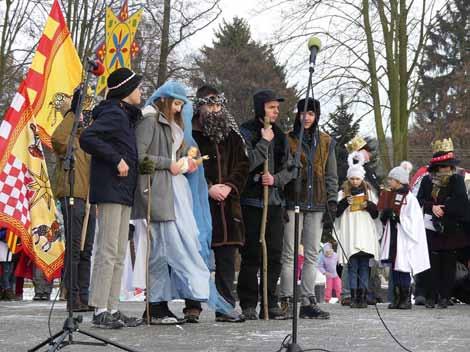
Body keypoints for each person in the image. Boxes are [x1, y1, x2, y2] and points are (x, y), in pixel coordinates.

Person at [134, 81, 233, 324]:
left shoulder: (172, 124)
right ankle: (156, 305)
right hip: (158, 192)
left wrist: (187, 161)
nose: (179, 109)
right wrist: (169, 164)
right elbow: (139, 159)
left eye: (181, 105)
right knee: (162, 249)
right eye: (176, 103)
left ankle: (163, 302)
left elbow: (176, 154)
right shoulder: (149, 120)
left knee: (176, 246)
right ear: (165, 100)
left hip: (175, 191)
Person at [79, 67, 142, 329]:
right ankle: (100, 309)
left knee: (117, 252)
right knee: (107, 251)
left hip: (123, 191)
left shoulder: (124, 117)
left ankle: (113, 308)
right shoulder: (114, 113)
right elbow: (87, 137)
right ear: (126, 91)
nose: (141, 92)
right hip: (111, 189)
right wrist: (116, 159)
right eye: (137, 87)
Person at [192, 85, 249, 323]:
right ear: (200, 106)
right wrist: (207, 187)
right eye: (209, 105)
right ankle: (191, 306)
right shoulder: (192, 134)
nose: (214, 110)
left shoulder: (232, 135)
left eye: (218, 105)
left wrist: (229, 186)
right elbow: (189, 165)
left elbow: (243, 165)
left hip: (228, 206)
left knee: (226, 259)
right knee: (196, 257)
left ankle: (225, 306)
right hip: (201, 206)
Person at [237, 89, 293, 320]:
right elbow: (245, 162)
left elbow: (290, 168)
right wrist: (263, 142)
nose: (276, 111)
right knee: (252, 253)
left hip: (275, 203)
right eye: (271, 107)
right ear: (261, 108)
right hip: (252, 201)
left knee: (275, 254)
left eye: (277, 108)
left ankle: (270, 302)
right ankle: (249, 303)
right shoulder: (246, 132)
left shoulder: (281, 135)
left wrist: (276, 179)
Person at [279, 97, 337, 319]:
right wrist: (283, 199)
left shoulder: (326, 142)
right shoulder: (288, 139)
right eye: (303, 113)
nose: (307, 118)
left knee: (312, 253)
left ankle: (307, 299)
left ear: (316, 116)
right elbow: (283, 169)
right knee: (290, 254)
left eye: (311, 114)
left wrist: (332, 201)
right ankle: (286, 299)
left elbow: (331, 174)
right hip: (293, 201)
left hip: (317, 203)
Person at [51, 88, 95, 312]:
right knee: (75, 247)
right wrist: (72, 112)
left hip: (90, 198)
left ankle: (84, 296)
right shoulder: (67, 136)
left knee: (87, 249)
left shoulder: (87, 137)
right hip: (72, 195)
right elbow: (57, 140)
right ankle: (72, 296)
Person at [416, 138, 470, 308]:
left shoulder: (457, 180)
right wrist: (433, 207)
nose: (446, 169)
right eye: (442, 166)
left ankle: (445, 296)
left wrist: (444, 208)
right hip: (431, 228)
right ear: (436, 167)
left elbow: (461, 201)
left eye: (448, 166)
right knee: (432, 263)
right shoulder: (426, 180)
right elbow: (420, 200)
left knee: (448, 264)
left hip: (451, 228)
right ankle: (431, 296)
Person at [379, 165, 430, 309]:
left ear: (399, 181)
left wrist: (397, 216)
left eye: (392, 179)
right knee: (395, 268)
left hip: (404, 238)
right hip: (394, 236)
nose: (389, 182)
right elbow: (388, 215)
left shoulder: (410, 199)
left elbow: (414, 221)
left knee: (403, 268)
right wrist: (386, 215)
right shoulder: (391, 195)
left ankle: (405, 299)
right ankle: (396, 298)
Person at [335, 158, 380, 308]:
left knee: (364, 266)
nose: (355, 182)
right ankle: (353, 296)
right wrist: (343, 203)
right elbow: (336, 214)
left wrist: (370, 205)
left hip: (365, 233)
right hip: (351, 234)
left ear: (362, 178)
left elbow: (375, 215)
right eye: (352, 179)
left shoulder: (369, 192)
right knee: (353, 266)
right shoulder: (342, 193)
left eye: (357, 179)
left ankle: (363, 295)